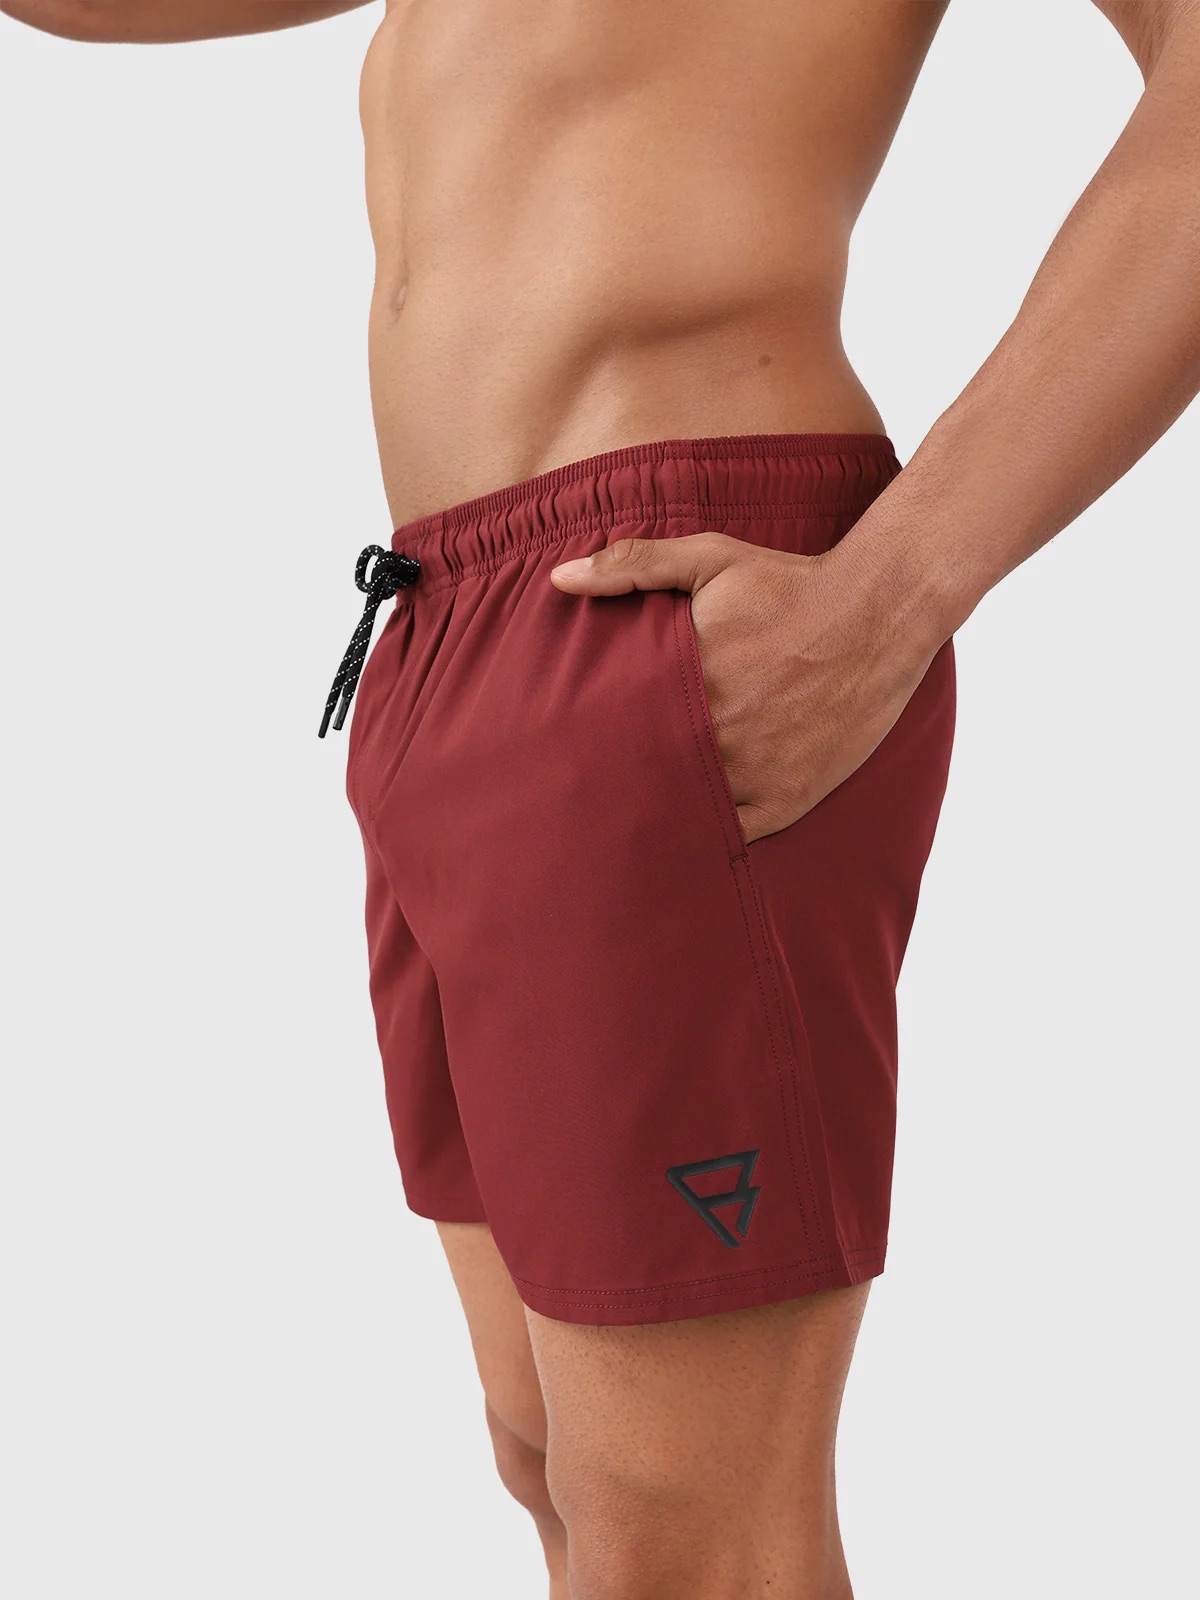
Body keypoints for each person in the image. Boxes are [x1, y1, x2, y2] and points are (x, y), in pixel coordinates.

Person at [6, 1, 1198, 1594]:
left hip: (667, 591)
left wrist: (898, 590)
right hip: (444, 620)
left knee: (684, 1531)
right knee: (551, 1457)